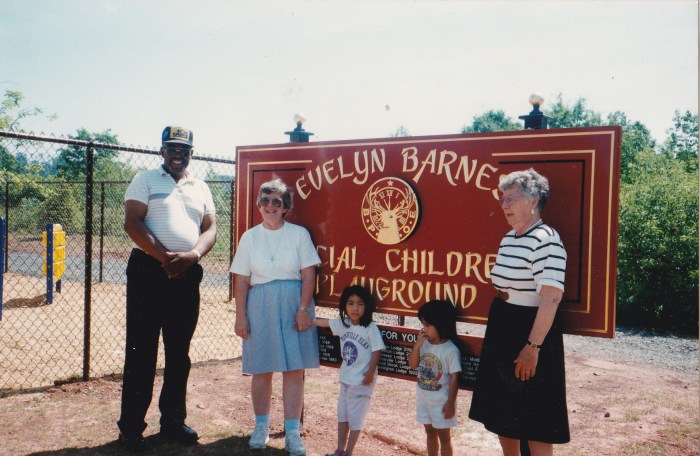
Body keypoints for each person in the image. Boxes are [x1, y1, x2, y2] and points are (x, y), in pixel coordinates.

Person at [117, 126, 217, 452]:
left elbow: (210, 228)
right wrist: (164, 258)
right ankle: (131, 428)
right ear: (161, 151)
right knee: (141, 352)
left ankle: (173, 421)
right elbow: (133, 223)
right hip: (149, 271)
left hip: (187, 275)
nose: (177, 155)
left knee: (179, 354)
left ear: (192, 153)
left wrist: (192, 255)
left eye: (183, 149)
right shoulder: (145, 179)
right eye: (171, 148)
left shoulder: (200, 187)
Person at [468, 168, 570, 456]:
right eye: (503, 199)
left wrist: (533, 347)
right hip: (503, 324)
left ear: (533, 201)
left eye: (511, 199)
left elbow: (550, 300)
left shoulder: (546, 239)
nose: (504, 205)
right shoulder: (510, 237)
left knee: (537, 422)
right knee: (504, 416)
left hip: (531, 330)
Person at [230, 177, 321, 456]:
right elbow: (242, 280)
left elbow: (308, 275)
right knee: (262, 368)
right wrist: (241, 316)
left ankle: (292, 432)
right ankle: (261, 427)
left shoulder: (298, 234)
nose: (270, 206)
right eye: (265, 200)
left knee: (294, 369)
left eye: (277, 202)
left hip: (295, 302)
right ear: (259, 204)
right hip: (260, 305)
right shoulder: (249, 237)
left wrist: (304, 309)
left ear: (285, 208)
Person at [312, 285, 386, 456]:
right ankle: (339, 450)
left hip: (362, 380)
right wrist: (310, 320)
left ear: (366, 306)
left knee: (356, 418)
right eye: (350, 303)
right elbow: (325, 322)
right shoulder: (343, 324)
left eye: (360, 304)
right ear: (344, 305)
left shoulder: (370, 327)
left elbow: (377, 350)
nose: (355, 308)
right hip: (346, 378)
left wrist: (370, 372)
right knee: (343, 415)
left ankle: (349, 452)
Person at [408, 299, 462, 456]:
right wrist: (417, 346)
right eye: (423, 325)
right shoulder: (424, 344)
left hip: (441, 402)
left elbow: (454, 378)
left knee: (444, 437)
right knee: (429, 433)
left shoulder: (450, 350)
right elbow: (412, 365)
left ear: (441, 325)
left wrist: (451, 402)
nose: (424, 329)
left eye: (427, 325)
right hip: (423, 399)